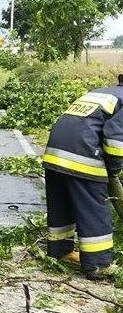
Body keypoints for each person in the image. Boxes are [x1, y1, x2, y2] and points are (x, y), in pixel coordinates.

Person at [42, 74, 123, 280]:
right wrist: (113, 170)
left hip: (54, 153)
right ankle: (98, 265)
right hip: (83, 155)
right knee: (94, 208)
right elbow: (115, 140)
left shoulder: (102, 92)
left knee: (62, 204)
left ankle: (60, 250)